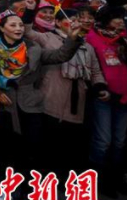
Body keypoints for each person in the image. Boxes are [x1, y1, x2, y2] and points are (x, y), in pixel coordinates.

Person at [0, 10, 82, 200]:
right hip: (4, 106)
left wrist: (72, 39)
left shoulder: (34, 48)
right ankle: (5, 193)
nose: (18, 28)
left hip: (30, 105)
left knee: (30, 150)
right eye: (13, 25)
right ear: (2, 28)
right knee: (6, 153)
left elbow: (60, 55)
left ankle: (27, 193)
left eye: (21, 25)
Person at [25, 9, 107, 175]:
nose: (74, 23)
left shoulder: (87, 46)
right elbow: (27, 32)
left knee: (71, 144)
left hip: (78, 100)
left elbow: (95, 71)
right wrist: (30, 10)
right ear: (57, 23)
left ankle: (65, 177)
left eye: (77, 20)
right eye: (71, 20)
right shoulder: (47, 38)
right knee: (49, 142)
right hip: (50, 96)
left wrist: (100, 86)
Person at [85, 5, 127, 196]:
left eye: (122, 18)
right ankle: (98, 180)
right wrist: (99, 87)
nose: (121, 22)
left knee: (119, 141)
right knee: (103, 140)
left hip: (124, 97)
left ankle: (116, 178)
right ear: (106, 20)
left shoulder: (124, 38)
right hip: (104, 96)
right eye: (117, 18)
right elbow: (91, 66)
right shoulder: (92, 37)